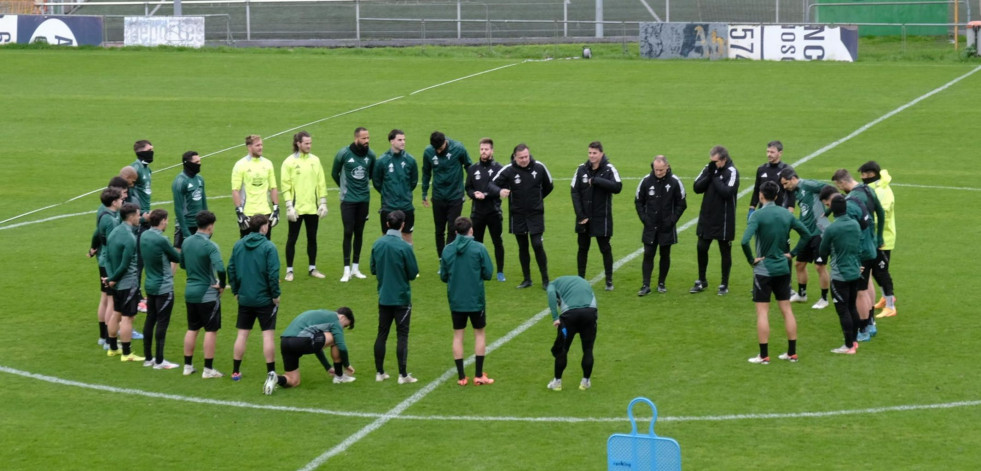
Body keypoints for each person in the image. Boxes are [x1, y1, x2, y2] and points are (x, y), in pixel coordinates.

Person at [740, 181, 812, 364]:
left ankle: (764, 356)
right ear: (777, 196)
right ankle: (792, 353)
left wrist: (751, 259)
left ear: (761, 196)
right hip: (783, 268)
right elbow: (806, 235)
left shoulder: (757, 215)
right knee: (786, 310)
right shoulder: (785, 214)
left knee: (763, 313)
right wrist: (793, 253)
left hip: (764, 270)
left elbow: (744, 241)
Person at [439, 217, 494, 386]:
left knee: (458, 336)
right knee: (479, 334)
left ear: (456, 232)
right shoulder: (479, 248)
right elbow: (488, 273)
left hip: (456, 300)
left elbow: (443, 276)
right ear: (471, 230)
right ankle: (478, 375)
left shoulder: (447, 250)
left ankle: (462, 377)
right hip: (475, 300)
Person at [490, 143, 554, 290]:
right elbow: (491, 185)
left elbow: (549, 185)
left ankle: (545, 279)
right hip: (517, 214)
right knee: (522, 247)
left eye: (526, 156)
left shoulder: (539, 167)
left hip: (535, 214)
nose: (524, 160)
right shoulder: (509, 170)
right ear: (515, 157)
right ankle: (527, 279)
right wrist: (500, 191)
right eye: (521, 158)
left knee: (537, 244)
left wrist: (537, 198)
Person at [831, 169, 885, 340]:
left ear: (842, 183)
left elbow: (853, 231)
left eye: (838, 186)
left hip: (861, 250)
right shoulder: (867, 189)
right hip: (871, 245)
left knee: (860, 291)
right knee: (868, 282)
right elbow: (881, 213)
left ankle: (864, 329)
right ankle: (871, 323)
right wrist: (879, 236)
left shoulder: (851, 201)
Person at [227, 214, 281, 382]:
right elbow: (273, 274)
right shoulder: (269, 247)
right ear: (263, 227)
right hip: (265, 299)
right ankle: (271, 373)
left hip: (245, 298)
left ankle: (235, 371)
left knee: (242, 334)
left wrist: (236, 290)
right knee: (267, 336)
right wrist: (275, 294)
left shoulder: (238, 245)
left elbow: (231, 269)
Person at [370, 210, 420, 384]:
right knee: (402, 335)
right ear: (403, 225)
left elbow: (373, 269)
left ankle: (380, 372)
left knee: (382, 333)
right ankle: (403, 375)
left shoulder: (378, 244)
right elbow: (413, 273)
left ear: (387, 224)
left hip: (384, 296)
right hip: (401, 298)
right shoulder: (405, 247)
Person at [264, 308, 356, 395]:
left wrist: (327, 367)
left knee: (294, 381)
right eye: (345, 325)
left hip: (285, 342)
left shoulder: (322, 316)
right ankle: (339, 377)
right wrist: (346, 364)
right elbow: (342, 346)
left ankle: (275, 378)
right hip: (301, 340)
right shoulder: (335, 320)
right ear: (342, 317)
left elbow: (317, 346)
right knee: (335, 338)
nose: (342, 328)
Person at [570, 141, 623, 291]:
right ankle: (580, 279)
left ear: (601, 153)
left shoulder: (609, 169)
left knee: (605, 248)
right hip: (584, 217)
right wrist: (580, 215)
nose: (592, 156)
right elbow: (574, 192)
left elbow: (618, 187)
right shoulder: (581, 169)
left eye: (595, 153)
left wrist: (598, 181)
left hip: (602, 217)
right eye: (590, 153)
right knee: (582, 248)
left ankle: (609, 280)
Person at [180, 210, 226, 378]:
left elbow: (183, 264)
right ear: (210, 226)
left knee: (192, 328)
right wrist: (222, 284)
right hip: (207, 293)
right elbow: (221, 268)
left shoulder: (186, 242)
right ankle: (208, 369)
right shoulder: (210, 246)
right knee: (210, 330)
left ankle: (187, 366)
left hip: (190, 292)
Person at [779, 167, 832, 309]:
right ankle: (802, 295)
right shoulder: (797, 191)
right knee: (799, 264)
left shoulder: (808, 184)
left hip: (819, 232)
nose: (785, 187)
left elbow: (830, 188)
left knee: (820, 266)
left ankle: (824, 299)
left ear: (793, 179)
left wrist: (829, 211)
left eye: (785, 183)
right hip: (807, 234)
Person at [634, 155, 687, 296]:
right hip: (650, 226)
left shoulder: (675, 182)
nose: (658, 173)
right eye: (656, 170)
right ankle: (646, 285)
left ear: (667, 167)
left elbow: (682, 203)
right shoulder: (646, 181)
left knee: (665, 254)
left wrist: (672, 220)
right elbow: (638, 201)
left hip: (666, 226)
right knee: (648, 254)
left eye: (661, 170)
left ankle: (661, 283)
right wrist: (644, 219)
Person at [691, 145, 739, 296]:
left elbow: (727, 192)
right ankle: (701, 280)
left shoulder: (732, 171)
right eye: (711, 161)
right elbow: (696, 187)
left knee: (724, 251)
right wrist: (709, 174)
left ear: (723, 159)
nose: (712, 164)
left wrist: (715, 176)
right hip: (707, 216)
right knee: (701, 248)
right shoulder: (709, 168)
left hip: (724, 219)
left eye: (715, 161)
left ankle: (724, 283)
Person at [280, 131, 329, 281]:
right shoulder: (289, 162)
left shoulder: (315, 160)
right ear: (298, 144)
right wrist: (289, 206)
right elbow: (285, 185)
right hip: (296, 208)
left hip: (312, 208)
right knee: (292, 238)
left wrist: (323, 202)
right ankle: (289, 270)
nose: (309, 146)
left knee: (312, 238)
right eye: (306, 143)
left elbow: (321, 182)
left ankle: (312, 268)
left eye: (310, 143)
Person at [818, 195, 863, 355]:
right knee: (852, 306)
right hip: (855, 271)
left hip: (839, 275)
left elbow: (822, 250)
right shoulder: (855, 224)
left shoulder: (832, 228)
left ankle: (848, 345)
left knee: (843, 310)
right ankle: (855, 341)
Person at [139, 209, 182, 369]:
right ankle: (159, 361)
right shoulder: (162, 240)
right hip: (163, 286)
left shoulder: (144, 235)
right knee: (162, 323)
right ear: (162, 221)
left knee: (150, 320)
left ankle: (148, 358)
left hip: (149, 284)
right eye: (167, 220)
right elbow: (176, 257)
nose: (168, 223)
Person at [332, 127, 376, 282]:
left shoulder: (370, 155)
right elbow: (334, 173)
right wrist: (344, 188)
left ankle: (355, 268)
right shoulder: (344, 153)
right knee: (348, 232)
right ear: (356, 138)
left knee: (359, 232)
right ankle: (346, 270)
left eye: (368, 138)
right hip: (348, 200)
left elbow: (371, 175)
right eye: (363, 138)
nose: (366, 141)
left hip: (364, 200)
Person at [422, 131, 472, 260]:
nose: (438, 152)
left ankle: (448, 257)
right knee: (439, 230)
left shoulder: (458, 148)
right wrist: (424, 192)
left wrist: (472, 188)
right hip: (438, 196)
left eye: (441, 148)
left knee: (452, 228)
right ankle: (441, 258)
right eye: (436, 149)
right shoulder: (428, 152)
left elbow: (468, 166)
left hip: (455, 196)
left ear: (445, 141)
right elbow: (426, 172)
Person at [103, 203, 144, 362]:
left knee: (116, 313)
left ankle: (113, 348)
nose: (139, 218)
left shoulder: (114, 232)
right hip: (127, 282)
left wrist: (110, 277)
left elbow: (106, 257)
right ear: (132, 216)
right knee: (128, 317)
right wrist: (113, 279)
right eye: (138, 215)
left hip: (116, 281)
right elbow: (126, 264)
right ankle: (127, 353)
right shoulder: (129, 237)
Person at [545, 275, 598, 392]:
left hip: (570, 315)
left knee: (562, 349)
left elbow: (551, 295)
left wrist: (555, 317)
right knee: (588, 349)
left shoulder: (552, 285)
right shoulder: (583, 282)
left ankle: (557, 382)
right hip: (590, 312)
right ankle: (585, 382)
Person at [859, 161, 898, 318]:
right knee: (875, 271)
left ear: (870, 174)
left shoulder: (882, 191)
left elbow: (882, 214)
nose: (861, 178)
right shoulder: (874, 187)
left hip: (883, 238)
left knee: (881, 272)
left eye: (863, 175)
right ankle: (885, 298)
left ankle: (890, 306)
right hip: (873, 237)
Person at [464, 138, 506, 282]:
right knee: (476, 242)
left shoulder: (499, 169)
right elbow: (468, 187)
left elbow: (500, 189)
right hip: (477, 213)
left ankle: (500, 271)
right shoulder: (473, 168)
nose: (484, 152)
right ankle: (479, 269)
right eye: (482, 149)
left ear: (492, 151)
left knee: (497, 241)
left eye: (486, 149)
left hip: (494, 212)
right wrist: (473, 194)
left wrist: (485, 195)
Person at [89, 185, 125, 350]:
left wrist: (92, 248)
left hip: (102, 260)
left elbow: (97, 234)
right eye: (120, 199)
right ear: (113, 202)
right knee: (111, 300)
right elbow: (112, 243)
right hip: (109, 263)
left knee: (105, 298)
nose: (122, 200)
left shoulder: (105, 213)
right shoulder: (110, 219)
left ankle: (103, 337)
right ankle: (110, 340)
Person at [372, 129, 418, 245]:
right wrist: (387, 193)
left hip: (406, 206)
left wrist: (404, 192)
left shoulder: (410, 160)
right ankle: (387, 262)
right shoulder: (382, 161)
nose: (403, 142)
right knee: (386, 237)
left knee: (407, 236)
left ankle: (406, 262)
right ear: (392, 141)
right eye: (400, 140)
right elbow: (377, 182)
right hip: (388, 206)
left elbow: (413, 182)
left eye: (404, 140)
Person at [231, 134, 280, 243]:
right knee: (246, 247)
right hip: (248, 215)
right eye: (257, 145)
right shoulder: (240, 165)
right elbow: (235, 190)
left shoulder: (268, 164)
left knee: (266, 247)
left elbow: (273, 187)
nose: (261, 147)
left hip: (265, 213)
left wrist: (276, 208)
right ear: (249, 147)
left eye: (261, 145)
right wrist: (239, 212)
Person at [172, 151, 208, 253]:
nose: (199, 164)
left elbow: (204, 201)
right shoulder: (180, 181)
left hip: (199, 224)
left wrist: (207, 221)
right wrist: (184, 229)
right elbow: (178, 208)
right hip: (185, 224)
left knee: (200, 252)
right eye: (196, 162)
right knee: (177, 254)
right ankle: (170, 270)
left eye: (200, 161)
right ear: (187, 163)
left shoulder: (200, 180)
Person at [748, 140, 795, 220]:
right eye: (768, 152)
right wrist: (752, 208)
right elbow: (756, 190)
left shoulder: (787, 170)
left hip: (780, 212)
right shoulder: (761, 169)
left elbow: (791, 193)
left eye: (772, 152)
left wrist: (790, 211)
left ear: (780, 153)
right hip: (762, 211)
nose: (769, 154)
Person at [130, 140, 154, 222]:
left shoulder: (148, 169)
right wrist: (140, 215)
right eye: (149, 150)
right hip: (138, 215)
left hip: (146, 214)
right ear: (141, 152)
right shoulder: (135, 168)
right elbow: (127, 195)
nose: (152, 153)